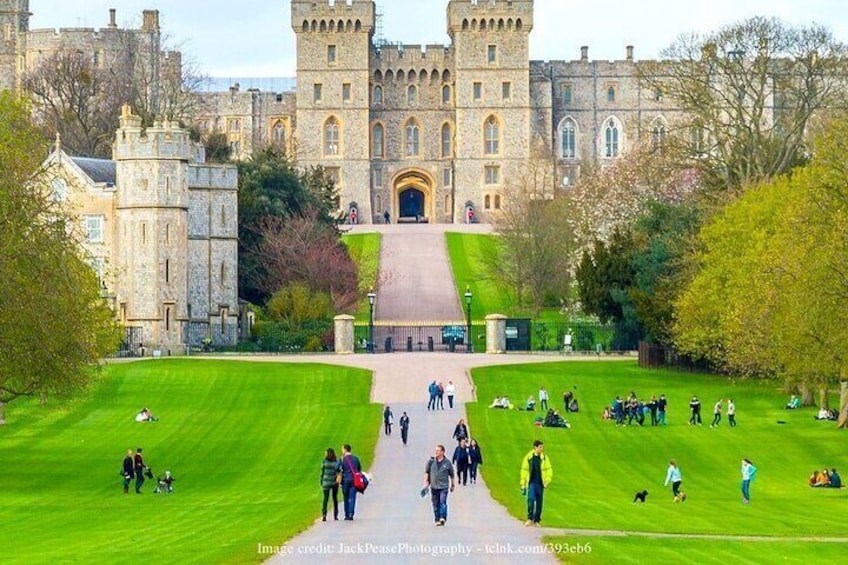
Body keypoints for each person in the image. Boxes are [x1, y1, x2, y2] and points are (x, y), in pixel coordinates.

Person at [520, 440, 553, 526]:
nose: (542, 449)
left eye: (542, 447)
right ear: (535, 447)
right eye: (540, 447)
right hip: (531, 482)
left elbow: (549, 469)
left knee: (539, 502)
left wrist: (547, 480)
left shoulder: (544, 458)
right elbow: (524, 470)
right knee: (531, 499)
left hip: (540, 483)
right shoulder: (528, 458)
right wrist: (523, 484)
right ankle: (529, 518)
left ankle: (537, 520)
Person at [423, 444, 455, 526]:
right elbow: (427, 472)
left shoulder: (447, 463)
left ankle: (442, 518)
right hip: (434, 486)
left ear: (442, 452)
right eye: (435, 450)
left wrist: (452, 485)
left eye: (438, 451)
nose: (436, 452)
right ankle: (437, 519)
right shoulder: (431, 462)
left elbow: (452, 474)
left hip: (443, 486)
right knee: (435, 503)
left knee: (442, 501)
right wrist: (426, 483)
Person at [341, 444, 362, 520]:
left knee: (346, 497)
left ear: (345, 450)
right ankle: (351, 513)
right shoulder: (355, 459)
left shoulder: (343, 459)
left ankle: (346, 514)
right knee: (352, 497)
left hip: (346, 480)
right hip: (354, 480)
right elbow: (359, 469)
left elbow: (338, 469)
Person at [320, 447, 342, 521]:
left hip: (326, 482)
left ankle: (324, 514)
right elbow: (338, 470)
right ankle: (335, 515)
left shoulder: (324, 461)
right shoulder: (335, 461)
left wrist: (321, 481)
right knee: (334, 498)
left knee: (325, 499)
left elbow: (322, 472)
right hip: (334, 482)